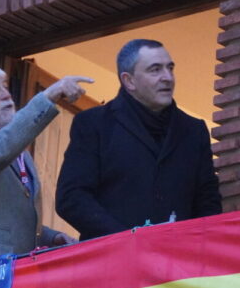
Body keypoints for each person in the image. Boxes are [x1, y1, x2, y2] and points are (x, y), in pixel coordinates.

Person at [55, 39, 222, 240]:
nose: (167, 77)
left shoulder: (194, 131)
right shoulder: (94, 124)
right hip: (113, 261)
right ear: (129, 81)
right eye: (155, 70)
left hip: (180, 263)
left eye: (170, 68)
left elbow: (208, 202)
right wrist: (127, 239)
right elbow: (72, 198)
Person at [0, 62, 92, 267]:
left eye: (4, 86)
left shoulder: (20, 154)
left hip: (15, 272)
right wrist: (48, 97)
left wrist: (51, 237)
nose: (6, 95)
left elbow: (9, 218)